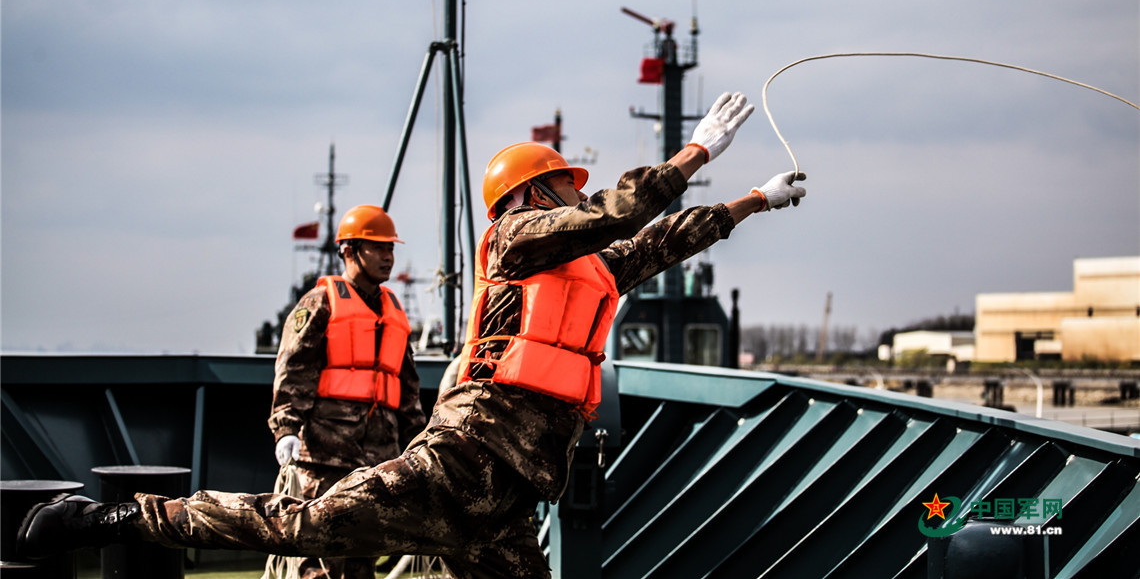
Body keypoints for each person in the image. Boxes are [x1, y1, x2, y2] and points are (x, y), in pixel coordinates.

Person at [17, 91, 805, 579]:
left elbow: (656, 241)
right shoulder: (515, 239)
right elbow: (617, 212)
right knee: (297, 526)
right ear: (533, 192)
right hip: (458, 460)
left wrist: (752, 201)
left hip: (510, 490)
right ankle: (103, 519)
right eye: (565, 179)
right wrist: (694, 151)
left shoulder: (589, 269)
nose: (577, 187)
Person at [267, 204, 427, 579]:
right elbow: (294, 368)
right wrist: (286, 429)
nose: (388, 257)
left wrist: (417, 448)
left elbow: (407, 392)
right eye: (379, 248)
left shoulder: (394, 312)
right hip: (324, 458)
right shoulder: (321, 303)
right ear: (350, 250)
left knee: (360, 560)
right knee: (316, 561)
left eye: (391, 249)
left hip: (376, 461)